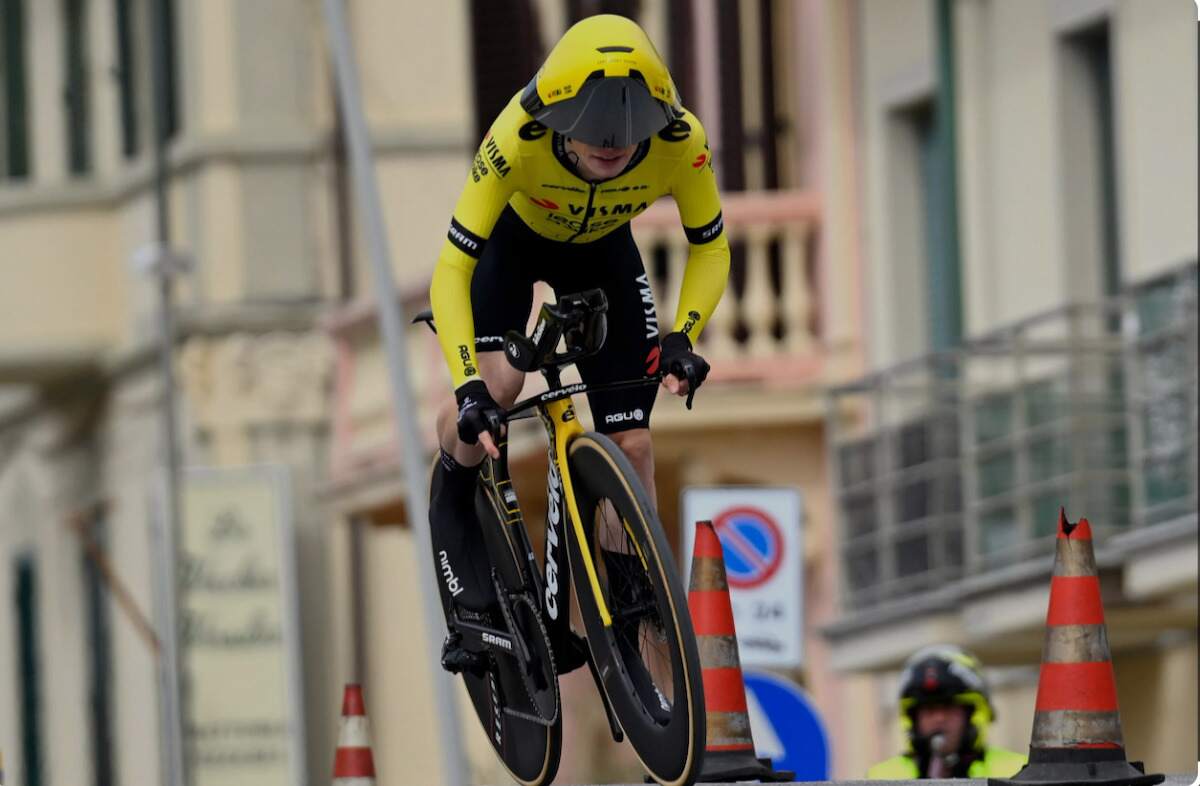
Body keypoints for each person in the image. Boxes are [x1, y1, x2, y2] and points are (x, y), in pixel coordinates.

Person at [426, 14, 729, 671]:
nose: (611, 150)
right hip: (512, 243)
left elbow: (711, 246)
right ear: (560, 124)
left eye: (625, 145)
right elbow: (452, 270)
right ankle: (452, 486)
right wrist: (467, 384)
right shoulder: (517, 134)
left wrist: (685, 334)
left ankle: (626, 591)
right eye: (593, 143)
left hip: (601, 257)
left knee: (636, 441)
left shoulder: (681, 138)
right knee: (501, 388)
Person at [867, 645, 1027, 779]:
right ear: (913, 718)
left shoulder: (1017, 770)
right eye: (929, 710)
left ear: (972, 714)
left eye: (950, 708)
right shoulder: (883, 777)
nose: (939, 718)